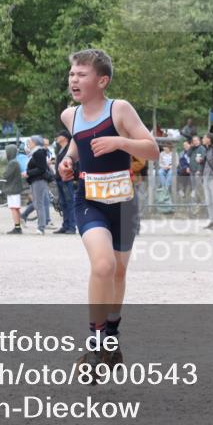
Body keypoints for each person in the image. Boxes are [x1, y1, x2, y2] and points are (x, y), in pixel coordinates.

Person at [57, 48, 159, 370]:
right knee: (102, 266)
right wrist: (68, 161)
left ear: (101, 81)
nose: (74, 79)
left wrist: (120, 142)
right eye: (72, 73)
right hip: (89, 200)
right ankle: (95, 342)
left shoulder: (120, 110)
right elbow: (78, 142)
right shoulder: (69, 115)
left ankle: (112, 335)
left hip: (123, 203)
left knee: (118, 271)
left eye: (81, 74)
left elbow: (152, 149)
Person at [25, 134, 52, 235]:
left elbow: (41, 169)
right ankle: (41, 225)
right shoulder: (35, 152)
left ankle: (41, 227)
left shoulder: (38, 152)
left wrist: (28, 173)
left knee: (39, 203)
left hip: (39, 180)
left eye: (30, 141)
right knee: (37, 203)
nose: (29, 143)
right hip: (35, 180)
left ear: (35, 143)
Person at [53, 131, 77, 235]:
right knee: (63, 203)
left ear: (65, 138)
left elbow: (75, 163)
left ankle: (72, 226)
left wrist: (73, 176)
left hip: (67, 179)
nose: (57, 137)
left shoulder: (69, 150)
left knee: (69, 202)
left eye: (59, 135)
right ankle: (65, 225)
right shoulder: (61, 149)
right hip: (60, 179)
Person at [3, 144, 25, 234]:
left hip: (13, 189)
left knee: (14, 208)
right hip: (15, 188)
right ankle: (19, 224)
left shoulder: (12, 163)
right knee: (16, 208)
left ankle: (17, 227)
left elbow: (5, 175)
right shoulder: (15, 162)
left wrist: (5, 171)